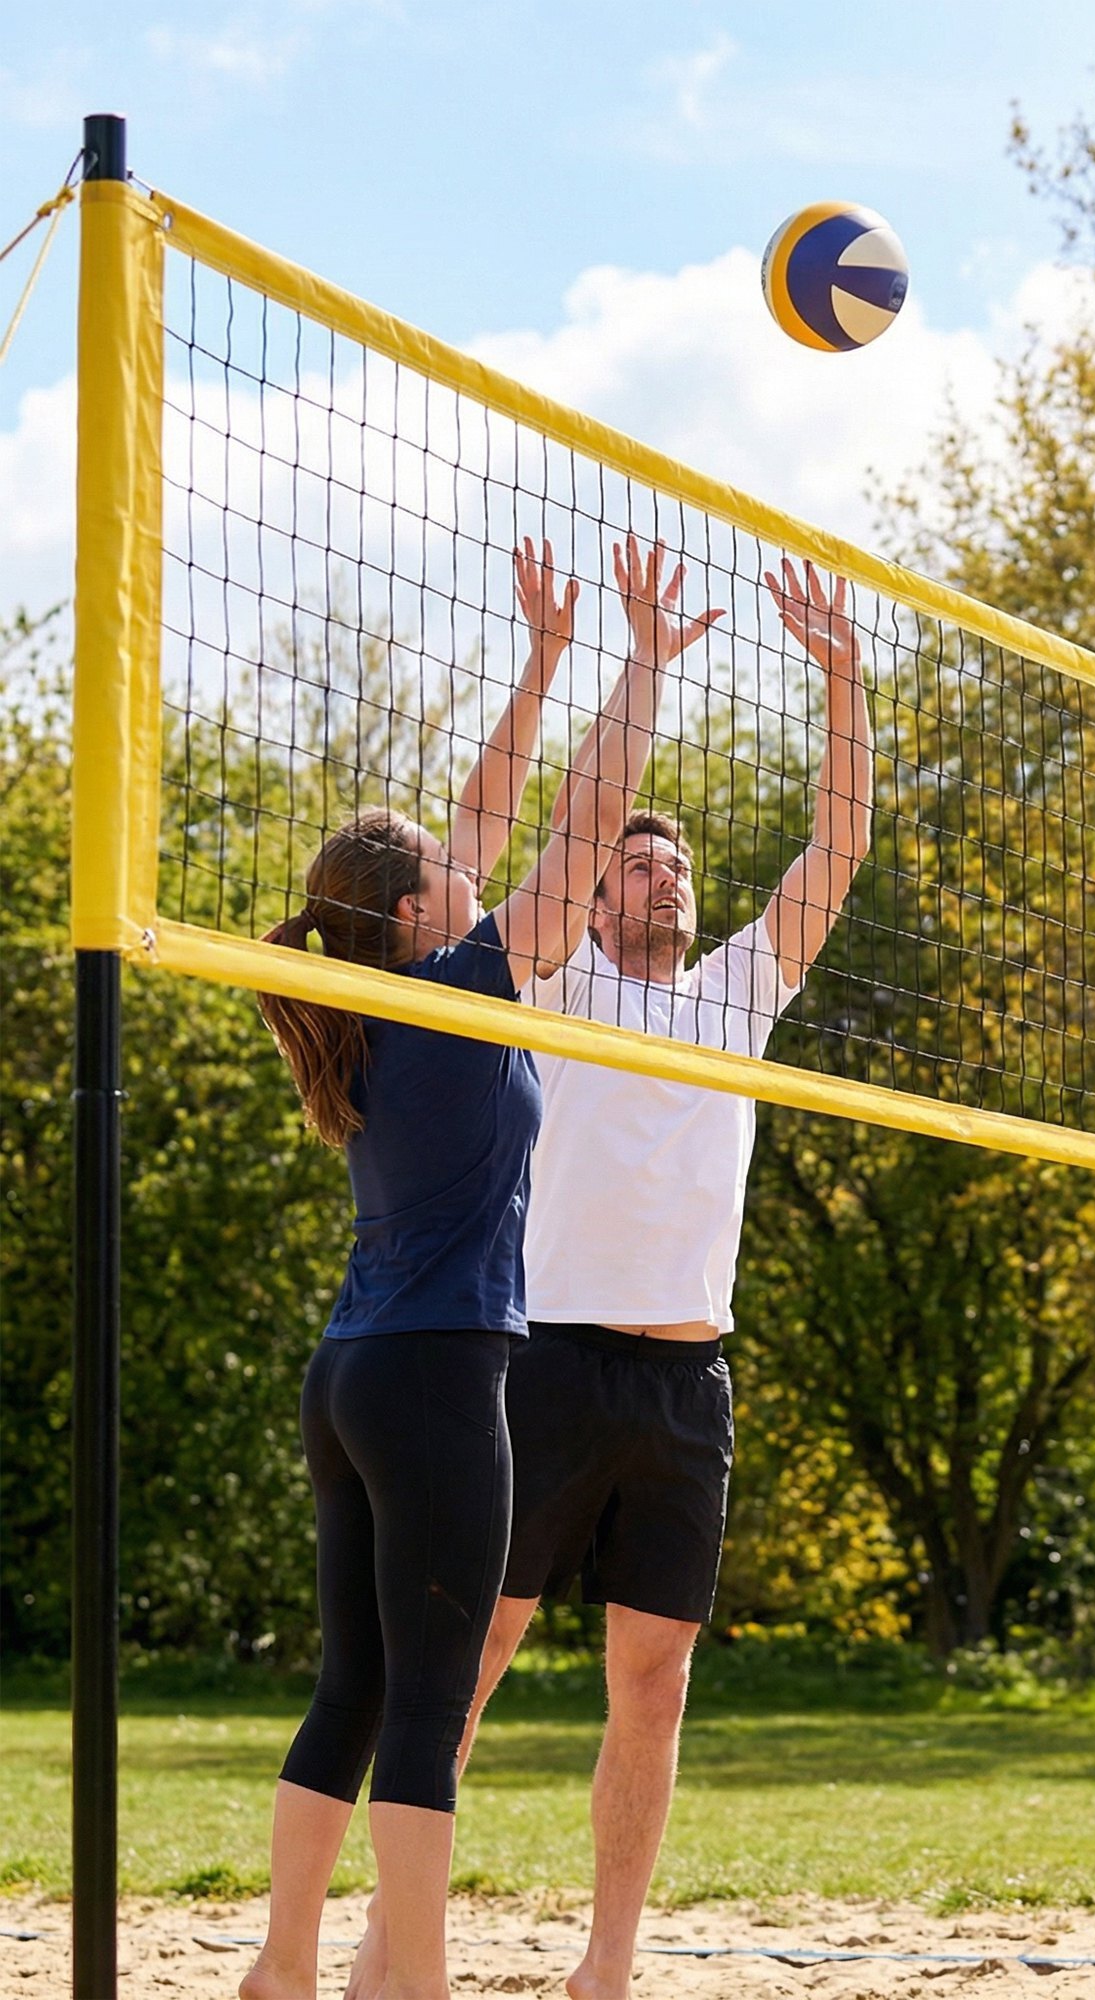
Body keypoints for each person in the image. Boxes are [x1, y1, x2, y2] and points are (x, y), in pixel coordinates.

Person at [345, 555, 873, 2000]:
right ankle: (390, 1952)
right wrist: (618, 660)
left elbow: (839, 843)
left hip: (687, 1377)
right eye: (639, 862)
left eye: (679, 864)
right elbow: (514, 822)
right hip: (546, 1364)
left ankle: (607, 1973)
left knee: (655, 1690)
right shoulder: (558, 983)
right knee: (469, 1666)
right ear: (597, 894)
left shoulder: (738, 995)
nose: (664, 875)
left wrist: (843, 682)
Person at [241, 534, 721, 2000]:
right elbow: (567, 822)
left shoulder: (363, 1002)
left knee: (353, 1689)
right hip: (447, 1375)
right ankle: (414, 1984)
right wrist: (638, 664)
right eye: (454, 873)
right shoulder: (460, 996)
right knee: (426, 1700)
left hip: (351, 1375)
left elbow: (491, 809)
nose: (478, 867)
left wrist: (541, 662)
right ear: (417, 914)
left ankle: (282, 1966)